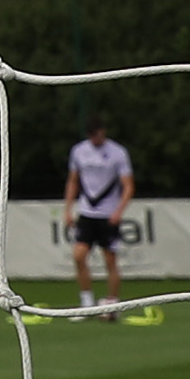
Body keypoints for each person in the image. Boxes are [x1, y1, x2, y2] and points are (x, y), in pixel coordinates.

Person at [58, 115, 137, 318]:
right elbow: (73, 181)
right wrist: (68, 209)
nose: (97, 139)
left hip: (108, 215)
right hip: (87, 212)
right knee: (78, 256)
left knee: (110, 260)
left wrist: (119, 211)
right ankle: (87, 303)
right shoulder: (79, 151)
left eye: (100, 135)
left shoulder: (117, 153)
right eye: (94, 136)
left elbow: (128, 186)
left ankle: (112, 304)